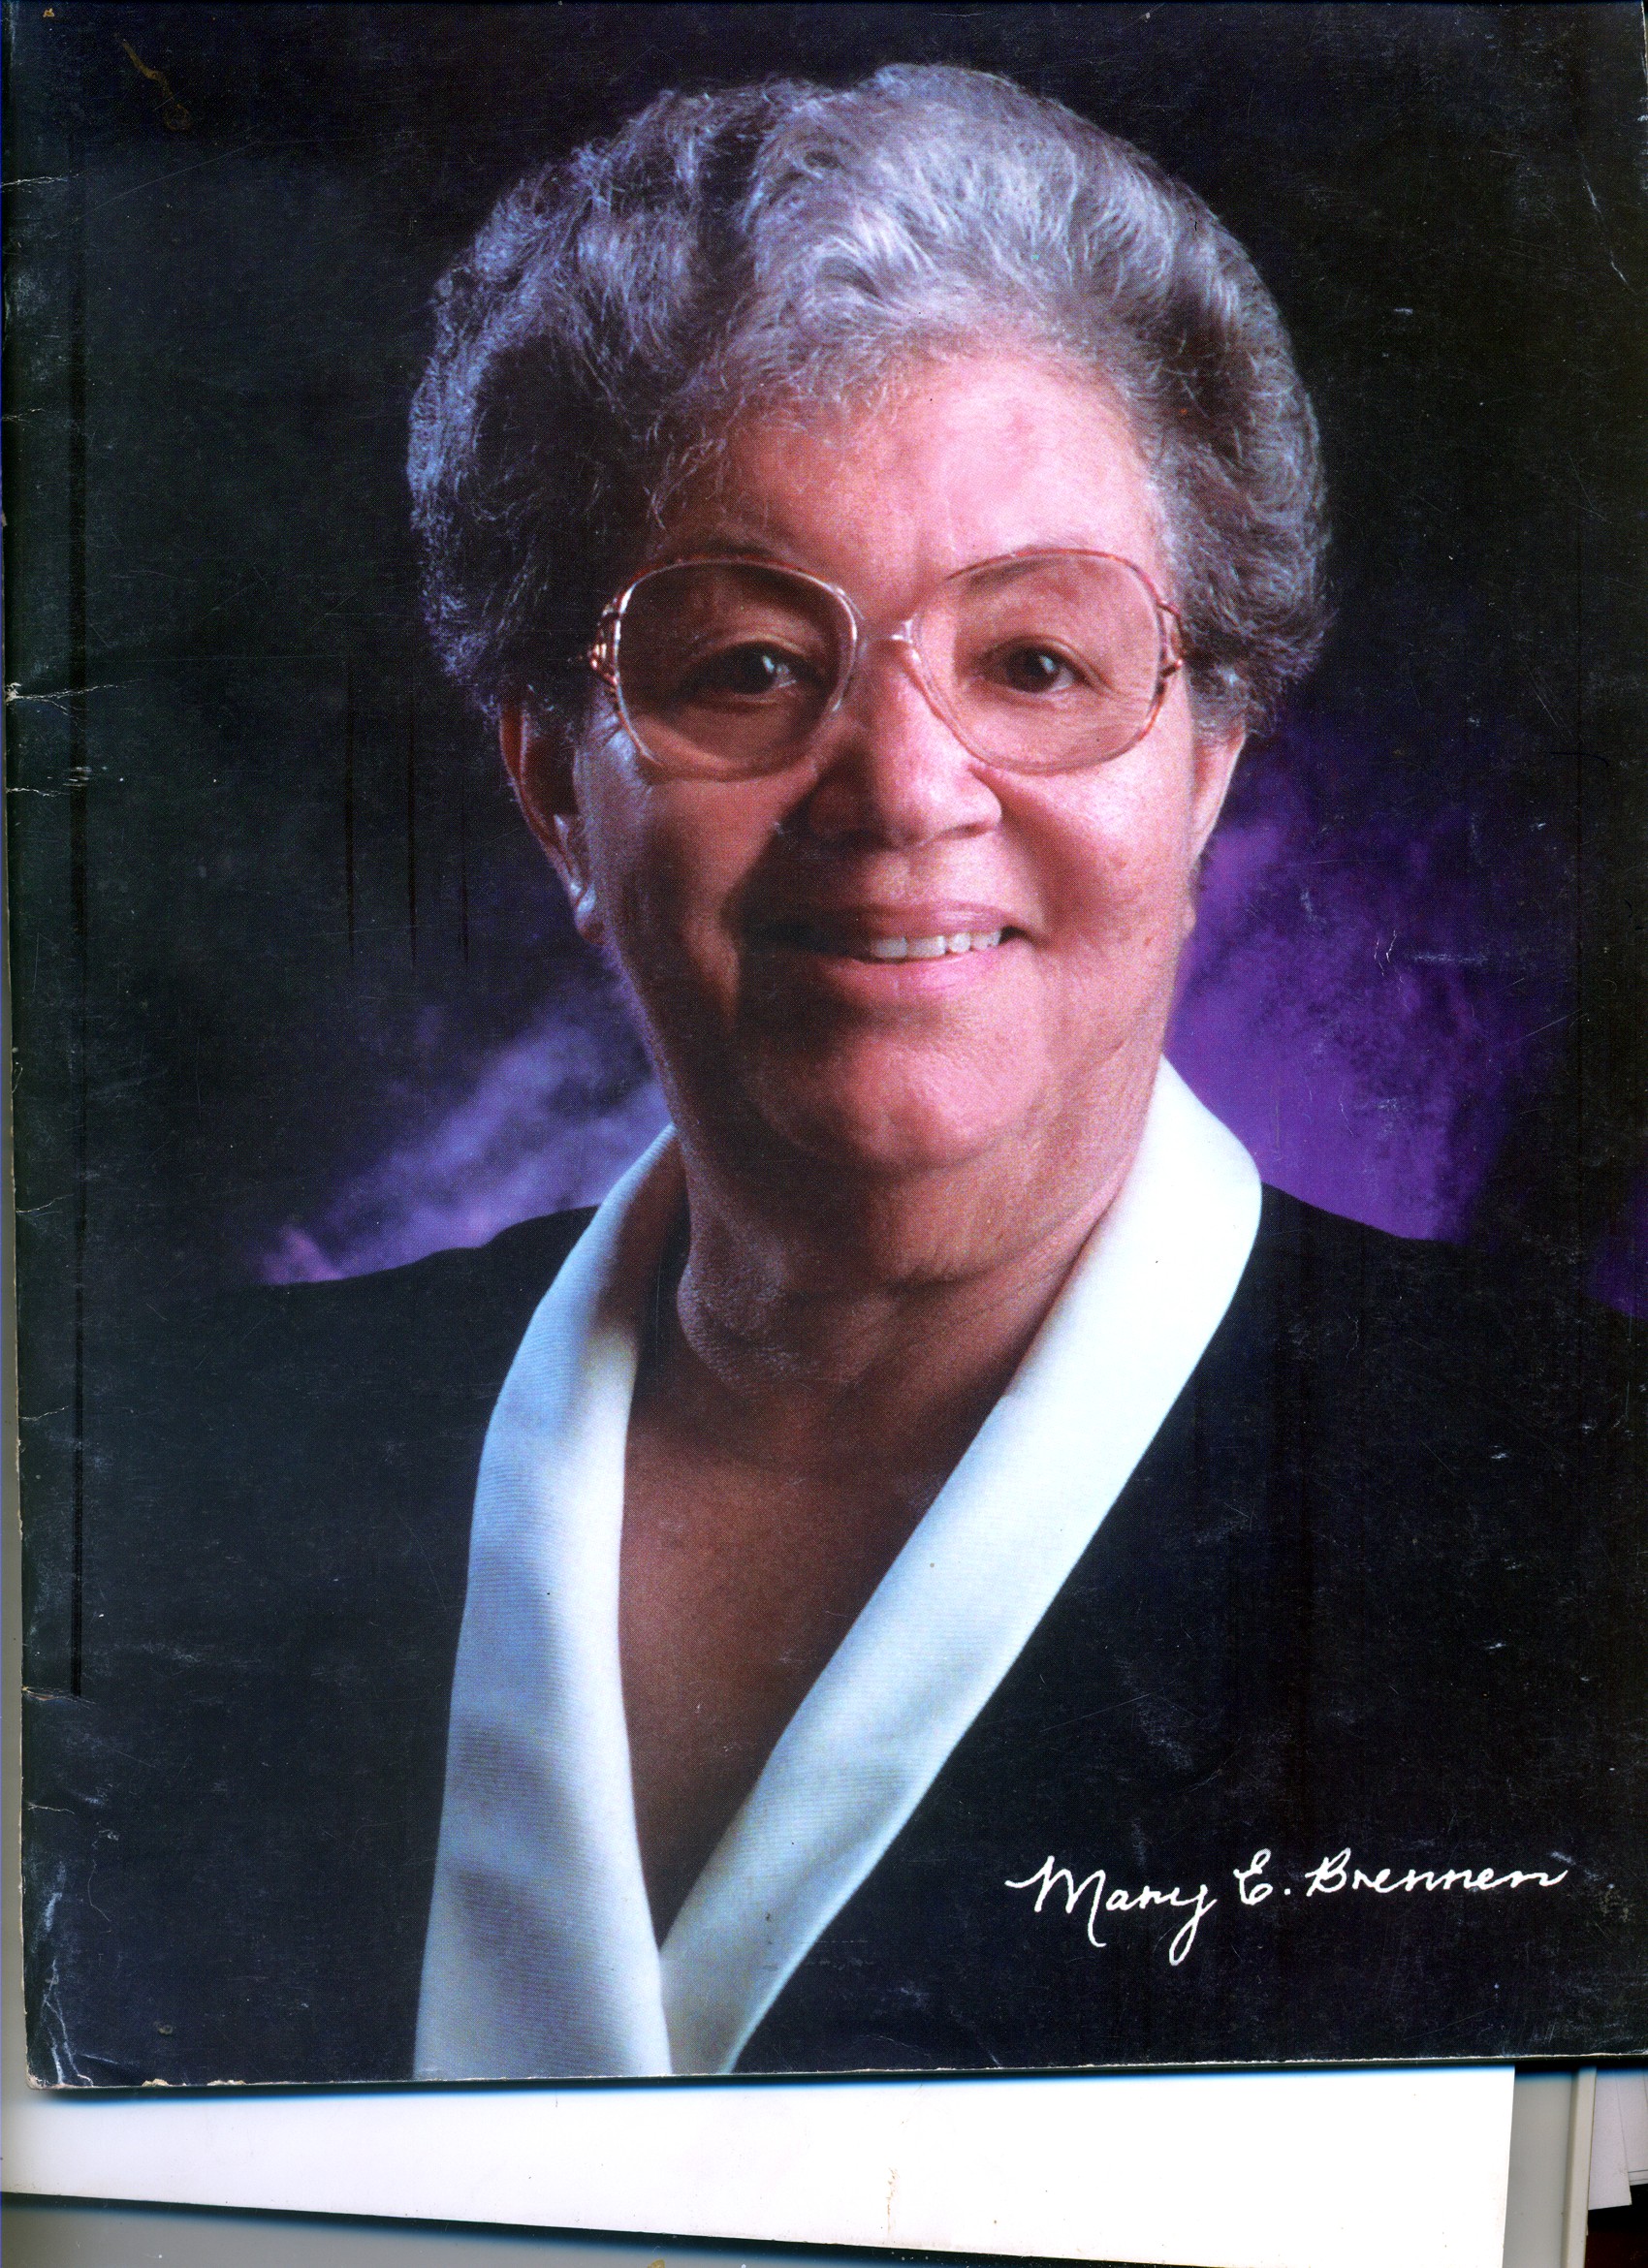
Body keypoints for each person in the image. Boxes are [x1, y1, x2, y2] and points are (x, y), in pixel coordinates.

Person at [23, 64, 1644, 2090]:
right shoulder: (174, 1492)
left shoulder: (1587, 1519)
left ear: (1206, 765)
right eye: (750, 667)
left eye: (1034, 662)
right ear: (557, 793)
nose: (900, 789)